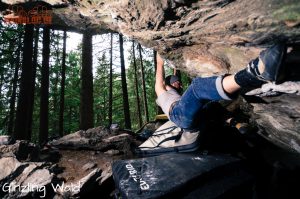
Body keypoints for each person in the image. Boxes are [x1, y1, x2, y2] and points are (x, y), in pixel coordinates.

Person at [155, 43, 287, 130]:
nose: (178, 83)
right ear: (167, 84)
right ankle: (254, 73)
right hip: (178, 115)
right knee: (197, 87)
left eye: (178, 81)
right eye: (174, 82)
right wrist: (159, 60)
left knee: (213, 106)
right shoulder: (161, 91)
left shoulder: (175, 94)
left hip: (192, 122)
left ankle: (237, 125)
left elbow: (174, 74)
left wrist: (173, 68)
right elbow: (160, 75)